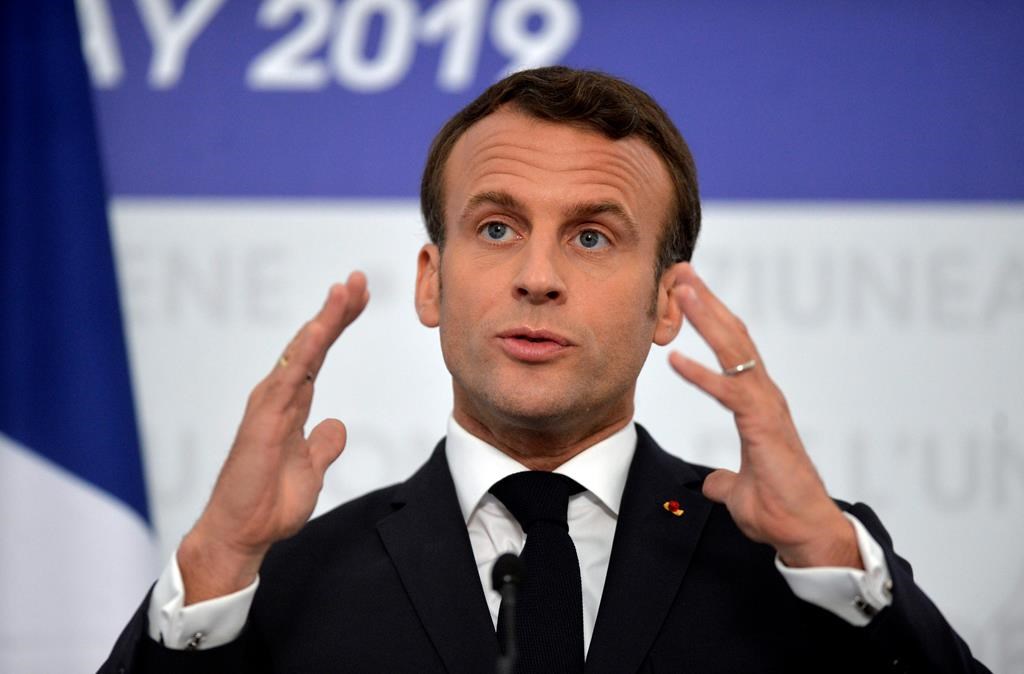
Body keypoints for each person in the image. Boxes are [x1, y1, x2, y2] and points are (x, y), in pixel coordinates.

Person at [100, 67, 989, 673]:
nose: (537, 275)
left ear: (665, 304)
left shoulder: (803, 565)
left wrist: (831, 555)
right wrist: (217, 559)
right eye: (495, 227)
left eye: (593, 236)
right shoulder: (276, 583)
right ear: (432, 280)